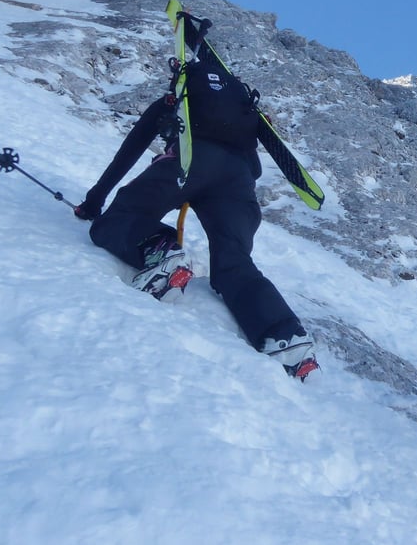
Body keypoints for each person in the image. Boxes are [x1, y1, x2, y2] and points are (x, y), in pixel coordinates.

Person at [73, 23, 318, 382]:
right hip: (239, 184)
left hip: (189, 162)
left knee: (120, 218)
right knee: (233, 262)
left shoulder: (178, 101)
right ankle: (286, 338)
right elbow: (257, 162)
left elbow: (130, 151)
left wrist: (94, 202)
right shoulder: (242, 113)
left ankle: (161, 253)